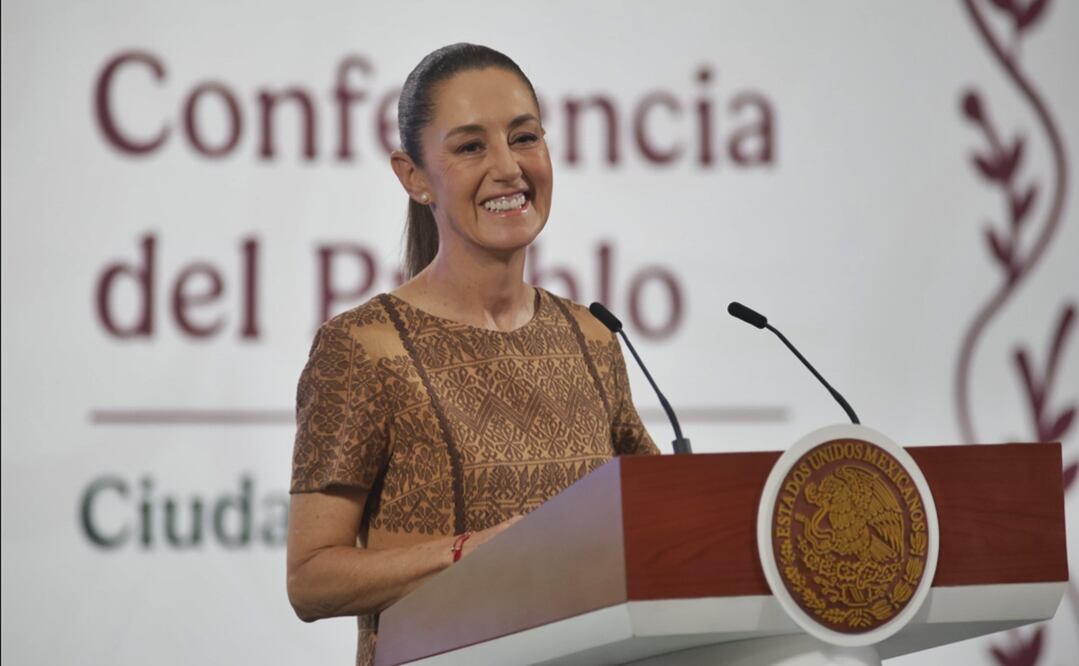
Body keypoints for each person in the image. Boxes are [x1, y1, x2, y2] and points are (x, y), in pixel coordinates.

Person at [286, 43, 659, 665]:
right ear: (414, 177)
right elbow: (311, 579)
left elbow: (653, 512)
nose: (509, 168)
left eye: (524, 137)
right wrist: (477, 551)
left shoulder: (592, 338)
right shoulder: (365, 349)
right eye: (469, 147)